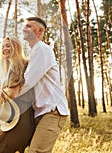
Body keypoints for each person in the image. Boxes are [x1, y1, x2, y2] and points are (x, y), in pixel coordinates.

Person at [18, 17, 70, 153]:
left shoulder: (42, 49)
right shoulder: (35, 52)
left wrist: (10, 94)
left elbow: (28, 82)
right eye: (24, 26)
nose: (24, 29)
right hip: (41, 112)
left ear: (40, 31)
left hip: (52, 111)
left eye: (29, 26)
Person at [0, 36, 35, 153]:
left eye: (8, 46)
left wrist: (2, 92)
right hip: (25, 118)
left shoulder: (17, 65)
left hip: (19, 119)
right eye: (3, 46)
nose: (5, 49)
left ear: (16, 47)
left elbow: (14, 93)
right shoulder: (20, 65)